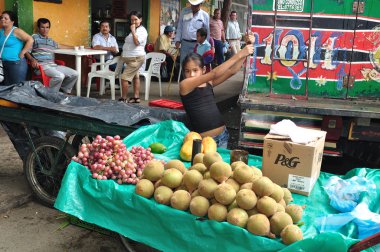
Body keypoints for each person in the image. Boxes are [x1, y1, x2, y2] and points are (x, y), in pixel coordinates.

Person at [179, 34, 254, 148]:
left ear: (203, 70)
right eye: (187, 71)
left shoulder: (208, 83)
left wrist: (247, 49)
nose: (191, 74)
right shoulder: (185, 85)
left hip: (222, 136)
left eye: (195, 70)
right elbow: (214, 73)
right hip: (203, 142)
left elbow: (232, 70)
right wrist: (240, 53)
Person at [25, 18, 78, 94]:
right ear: (38, 28)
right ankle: (50, 93)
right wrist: (32, 60)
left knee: (75, 74)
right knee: (60, 76)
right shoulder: (34, 37)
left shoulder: (50, 40)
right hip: (41, 66)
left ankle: (63, 91)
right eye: (42, 27)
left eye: (47, 27)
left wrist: (74, 47)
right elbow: (26, 51)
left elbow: (59, 45)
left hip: (53, 66)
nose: (45, 30)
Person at [119, 11, 148, 103]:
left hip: (136, 58)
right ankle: (136, 97)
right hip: (131, 58)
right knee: (136, 77)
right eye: (132, 20)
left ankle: (123, 98)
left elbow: (137, 43)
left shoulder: (142, 30)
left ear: (141, 19)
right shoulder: (135, 29)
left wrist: (133, 31)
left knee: (124, 78)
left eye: (136, 19)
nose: (133, 22)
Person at [0, 11, 33, 85]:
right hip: (3, 63)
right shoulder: (1, 32)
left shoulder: (16, 31)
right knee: (6, 88)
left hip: (16, 64)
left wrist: (23, 52)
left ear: (12, 21)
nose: (2, 19)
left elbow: (30, 39)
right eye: (1, 18)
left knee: (16, 88)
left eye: (6, 18)